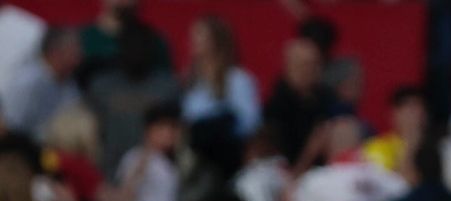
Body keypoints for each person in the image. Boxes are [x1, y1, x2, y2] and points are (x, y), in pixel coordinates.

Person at [84, 19, 179, 175]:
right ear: (120, 47)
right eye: (131, 45)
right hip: (110, 170)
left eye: (142, 46)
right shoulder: (102, 86)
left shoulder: (167, 87)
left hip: (157, 173)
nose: (136, 51)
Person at [97, 103, 181, 201]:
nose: (168, 133)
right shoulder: (135, 157)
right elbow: (124, 196)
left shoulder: (170, 166)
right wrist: (143, 163)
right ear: (149, 130)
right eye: (162, 127)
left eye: (172, 128)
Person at [180, 16, 260, 172]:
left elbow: (249, 122)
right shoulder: (191, 83)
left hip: (228, 157)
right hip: (195, 158)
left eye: (200, 36)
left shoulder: (238, 79)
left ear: (216, 40)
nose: (193, 41)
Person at [263, 36, 339, 174]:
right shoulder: (277, 104)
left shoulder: (327, 98)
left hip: (324, 172)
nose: (311, 70)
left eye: (316, 64)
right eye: (305, 64)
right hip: (286, 173)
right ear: (290, 65)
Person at [1, 26, 82, 139]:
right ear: (56, 52)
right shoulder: (27, 82)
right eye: (74, 52)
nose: (79, 58)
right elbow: (9, 126)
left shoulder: (70, 85)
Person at [363, 85, 429, 174]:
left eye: (416, 107)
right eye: (406, 109)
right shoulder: (378, 147)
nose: (412, 114)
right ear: (392, 115)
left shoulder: (437, 146)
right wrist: (409, 150)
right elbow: (395, 184)